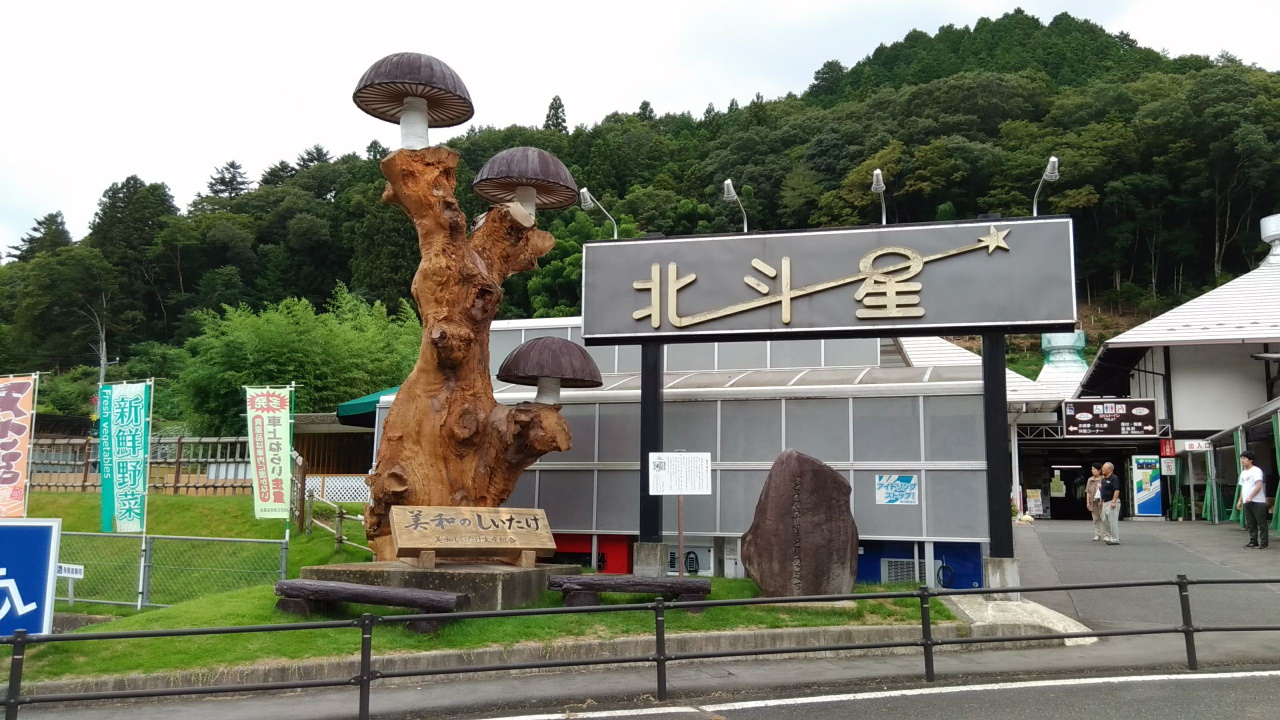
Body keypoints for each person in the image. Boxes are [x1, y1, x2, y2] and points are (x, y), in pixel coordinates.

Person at [1237, 451, 1268, 549]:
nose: (1242, 460)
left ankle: (1264, 542)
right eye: (1242, 458)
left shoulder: (1256, 470)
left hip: (1258, 501)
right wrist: (1240, 500)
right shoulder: (1243, 473)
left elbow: (1259, 485)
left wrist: (1251, 496)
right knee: (1250, 523)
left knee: (1261, 522)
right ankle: (1253, 541)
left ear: (1251, 460)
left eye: (1245, 458)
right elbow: (1243, 488)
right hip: (1247, 502)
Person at [1100, 462, 1122, 545]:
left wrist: (1114, 501)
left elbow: (1117, 490)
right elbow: (1103, 491)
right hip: (1105, 501)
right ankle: (1114, 535)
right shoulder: (1104, 479)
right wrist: (1101, 501)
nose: (1102, 469)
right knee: (1104, 519)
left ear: (1110, 469)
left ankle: (1115, 539)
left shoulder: (1114, 478)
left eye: (1104, 468)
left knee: (1112, 521)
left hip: (1112, 501)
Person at [1085, 462, 1105, 542]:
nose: (1092, 471)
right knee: (1095, 518)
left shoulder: (1104, 478)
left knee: (1104, 518)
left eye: (1094, 469)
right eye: (1092, 469)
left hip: (1102, 501)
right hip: (1093, 501)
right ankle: (1097, 534)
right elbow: (1087, 491)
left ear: (1099, 470)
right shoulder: (1090, 479)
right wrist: (1087, 502)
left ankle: (1106, 534)